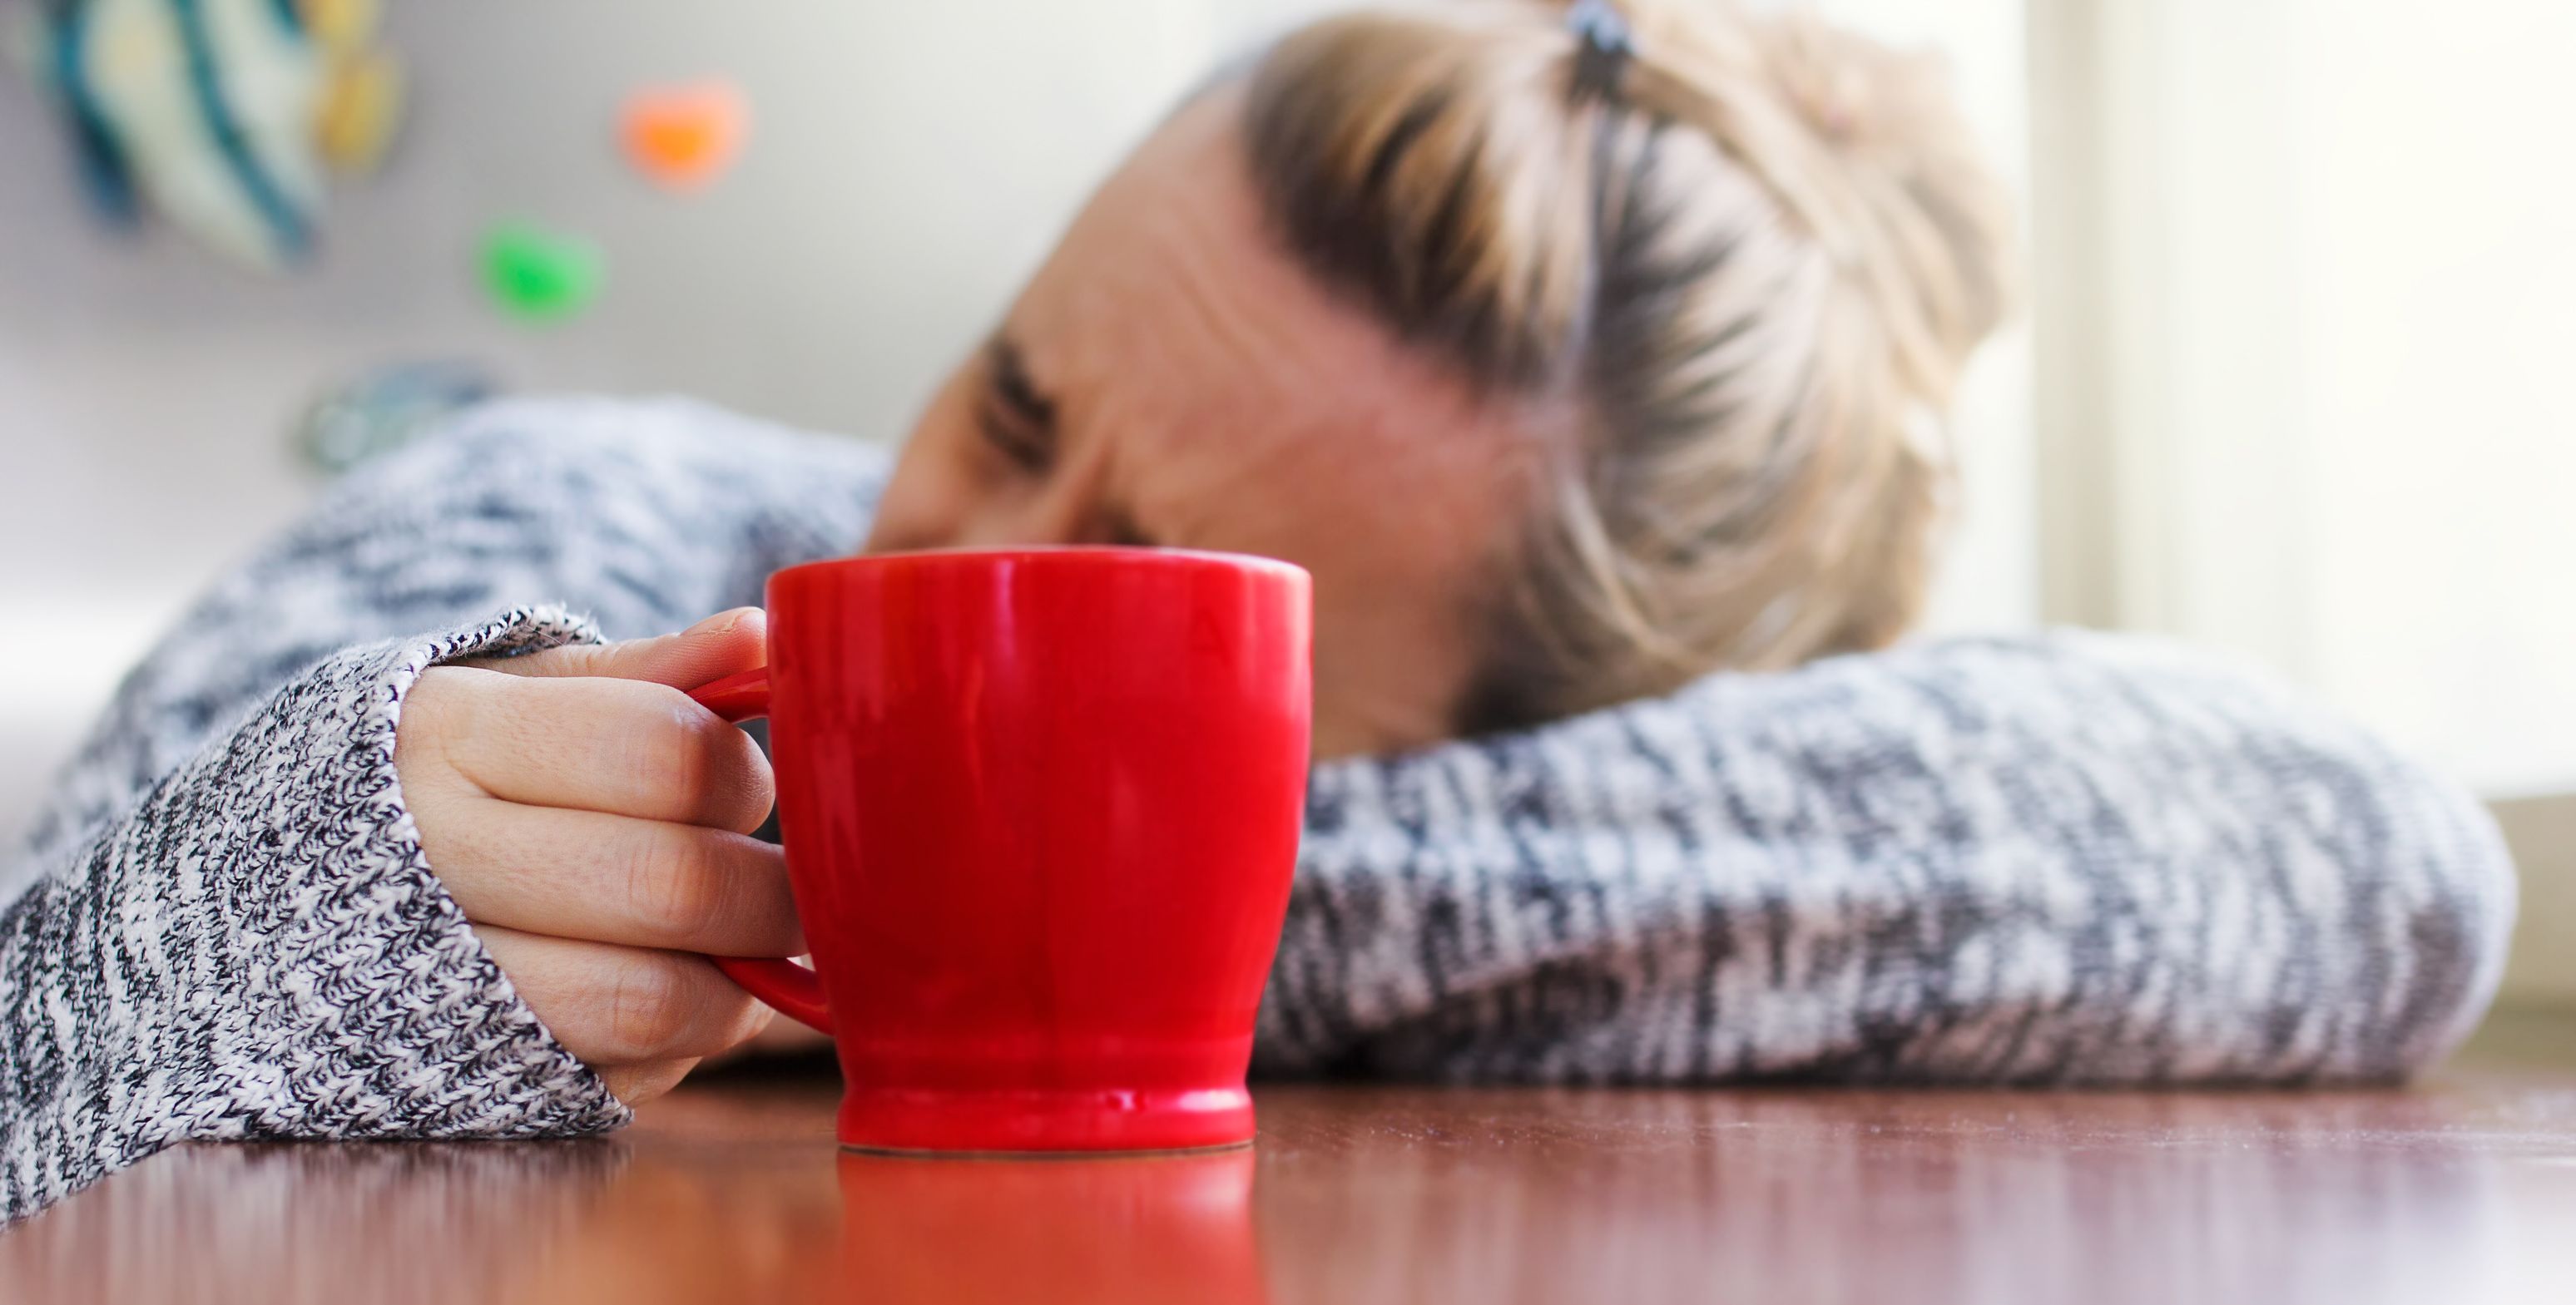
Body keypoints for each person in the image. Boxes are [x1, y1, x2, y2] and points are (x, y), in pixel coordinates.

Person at [0, 0, 2514, 1221]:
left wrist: (1140, 951)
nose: (945, 562)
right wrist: (315, 900)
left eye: (1142, 590)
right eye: (1007, 397)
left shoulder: (1616, 833)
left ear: (1587, 749)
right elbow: (63, 1015)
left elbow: (2378, 864)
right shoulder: (569, 519)